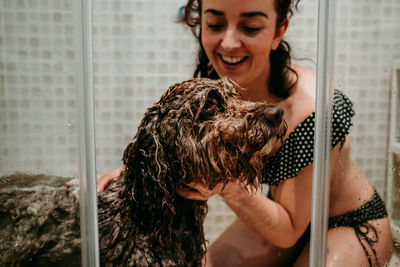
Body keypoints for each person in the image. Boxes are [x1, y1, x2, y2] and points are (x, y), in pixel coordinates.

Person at [90, 0, 393, 266]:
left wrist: (228, 186)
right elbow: (181, 143)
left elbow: (288, 231)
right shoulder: (219, 84)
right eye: (215, 24)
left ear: (279, 30)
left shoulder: (313, 107)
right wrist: (141, 169)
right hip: (284, 219)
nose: (229, 43)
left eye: (249, 27)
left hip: (351, 225)